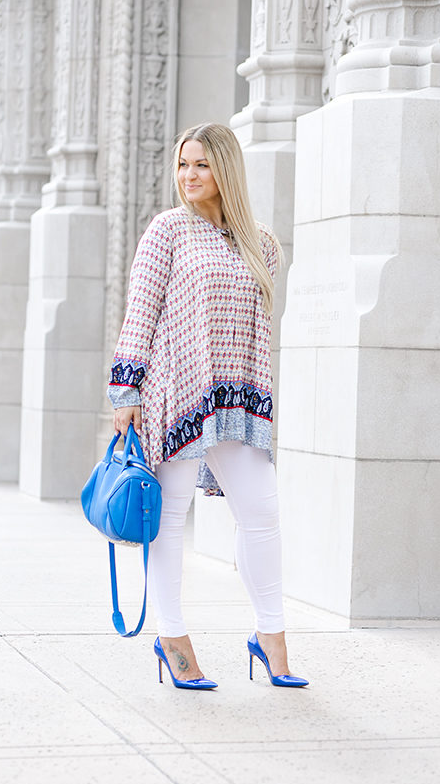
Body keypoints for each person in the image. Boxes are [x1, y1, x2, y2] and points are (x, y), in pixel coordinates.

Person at [108, 122, 308, 691]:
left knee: (262, 514)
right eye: (182, 165)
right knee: (169, 520)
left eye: (200, 165)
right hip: (175, 396)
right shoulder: (168, 230)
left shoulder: (262, 243)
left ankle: (270, 637)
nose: (189, 176)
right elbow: (140, 313)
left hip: (240, 401)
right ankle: (172, 638)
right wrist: (127, 393)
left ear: (226, 170)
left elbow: (257, 331)